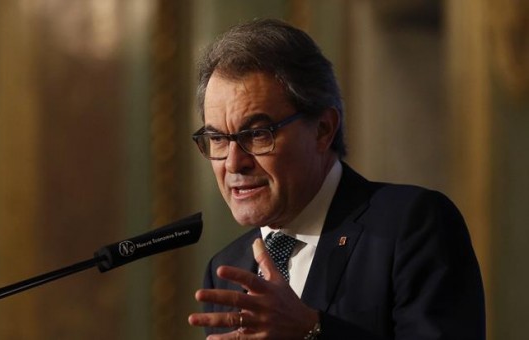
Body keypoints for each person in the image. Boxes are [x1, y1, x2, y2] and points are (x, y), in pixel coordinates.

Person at [187, 19, 485, 339]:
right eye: (217, 139)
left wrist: (311, 331)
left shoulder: (411, 226)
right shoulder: (226, 270)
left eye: (258, 134)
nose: (234, 162)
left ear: (323, 129)